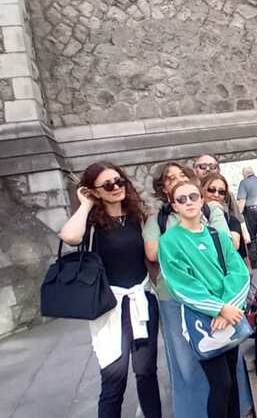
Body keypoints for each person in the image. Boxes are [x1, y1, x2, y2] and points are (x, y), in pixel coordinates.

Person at [59, 162, 161, 418]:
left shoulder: (138, 216)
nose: (116, 187)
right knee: (114, 377)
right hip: (109, 306)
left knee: (146, 373)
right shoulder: (92, 222)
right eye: (107, 185)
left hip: (143, 300)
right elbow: (69, 237)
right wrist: (85, 205)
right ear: (95, 191)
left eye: (119, 181)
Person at [143, 162, 242, 418]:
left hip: (228, 313)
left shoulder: (216, 234)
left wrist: (229, 306)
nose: (188, 202)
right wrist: (219, 308)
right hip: (202, 318)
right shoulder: (169, 241)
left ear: (201, 200)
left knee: (232, 379)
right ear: (174, 205)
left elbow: (238, 271)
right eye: (181, 199)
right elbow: (181, 285)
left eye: (193, 196)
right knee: (221, 383)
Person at [202, 173, 249, 264]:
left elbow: (232, 247)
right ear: (202, 189)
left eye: (221, 192)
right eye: (211, 189)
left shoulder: (231, 220)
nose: (216, 195)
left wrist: (214, 209)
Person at [194, 154, 244, 223]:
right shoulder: (189, 193)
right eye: (203, 166)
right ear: (195, 170)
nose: (208, 169)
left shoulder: (228, 194)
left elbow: (237, 219)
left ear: (218, 170)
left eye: (212, 167)